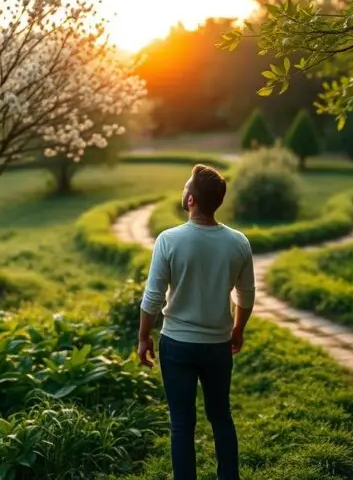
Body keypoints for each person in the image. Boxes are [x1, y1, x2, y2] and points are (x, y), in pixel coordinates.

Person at [138, 163, 255, 480]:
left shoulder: (168, 240)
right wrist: (237, 329)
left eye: (186, 185)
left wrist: (144, 337)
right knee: (221, 417)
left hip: (177, 345)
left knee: (181, 423)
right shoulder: (238, 242)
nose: (184, 189)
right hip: (218, 345)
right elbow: (246, 295)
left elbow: (153, 297)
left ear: (191, 199)